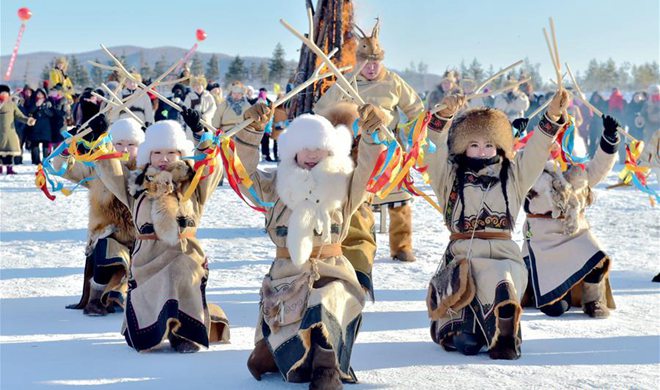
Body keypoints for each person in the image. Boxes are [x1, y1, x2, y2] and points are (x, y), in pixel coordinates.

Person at [227, 102, 388, 388]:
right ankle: (286, 353)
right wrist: (252, 132)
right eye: (305, 148)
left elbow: (368, 167)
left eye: (321, 148)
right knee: (288, 334)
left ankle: (327, 369)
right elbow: (245, 174)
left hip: (333, 270)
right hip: (286, 275)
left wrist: (372, 133)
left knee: (326, 300)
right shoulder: (274, 184)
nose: (313, 154)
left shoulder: (344, 183)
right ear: (292, 151)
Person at [425, 89, 570, 360]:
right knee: (466, 340)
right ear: (463, 147)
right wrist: (444, 115)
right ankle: (473, 329)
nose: (482, 151)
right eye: (474, 144)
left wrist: (552, 116)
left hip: (504, 254)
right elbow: (432, 150)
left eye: (489, 144)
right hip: (463, 256)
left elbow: (537, 151)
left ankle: (506, 328)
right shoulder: (450, 177)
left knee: (503, 276)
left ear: (500, 146)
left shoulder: (513, 176)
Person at [93, 115, 230, 353]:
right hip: (148, 256)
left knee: (180, 270)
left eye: (171, 152)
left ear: (181, 154)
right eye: (157, 153)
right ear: (148, 154)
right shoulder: (135, 185)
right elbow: (111, 170)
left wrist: (200, 136)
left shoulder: (193, 182)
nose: (164, 159)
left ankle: (184, 333)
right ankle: (152, 328)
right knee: (155, 290)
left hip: (184, 252)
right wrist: (102, 139)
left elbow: (211, 166)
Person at [315, 18, 425, 264]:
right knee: (355, 200)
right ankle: (352, 244)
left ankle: (402, 246)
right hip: (357, 150)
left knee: (399, 200)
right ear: (359, 62)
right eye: (366, 62)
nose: (372, 67)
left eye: (376, 62)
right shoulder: (346, 83)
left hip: (389, 148)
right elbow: (321, 109)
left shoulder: (393, 82)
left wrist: (411, 134)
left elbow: (416, 109)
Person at [522, 116, 620, 319]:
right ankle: (545, 292)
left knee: (597, 256)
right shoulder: (530, 171)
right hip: (544, 239)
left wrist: (609, 138)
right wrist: (514, 134)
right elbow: (507, 163)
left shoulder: (578, 173)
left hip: (575, 233)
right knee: (556, 308)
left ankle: (593, 300)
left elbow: (600, 166)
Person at [54, 118, 144, 315]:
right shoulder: (97, 167)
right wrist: (70, 146)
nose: (125, 149)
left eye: (131, 144)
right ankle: (96, 298)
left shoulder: (145, 171)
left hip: (137, 237)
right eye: (119, 143)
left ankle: (119, 294)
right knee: (106, 249)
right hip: (106, 234)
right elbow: (62, 168)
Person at [0, 84, 35, 174]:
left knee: (9, 152)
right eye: (2, 93)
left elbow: (19, 116)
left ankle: (9, 169)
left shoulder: (11, 105)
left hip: (9, 132)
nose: (4, 95)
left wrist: (28, 120)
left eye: (6, 93)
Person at [26, 88, 54, 165]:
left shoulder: (48, 102)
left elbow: (51, 114)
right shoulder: (33, 101)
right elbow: (29, 111)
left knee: (46, 145)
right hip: (35, 127)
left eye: (41, 94)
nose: (39, 95)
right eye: (38, 94)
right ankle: (36, 160)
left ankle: (46, 160)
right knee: (35, 144)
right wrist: (36, 105)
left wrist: (44, 108)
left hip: (46, 127)